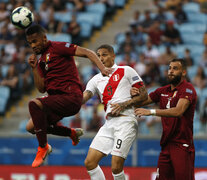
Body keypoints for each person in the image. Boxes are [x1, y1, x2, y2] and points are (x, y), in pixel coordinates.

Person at [25, 25, 112, 168]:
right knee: (31, 127)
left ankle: (43, 147)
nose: (33, 46)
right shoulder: (41, 62)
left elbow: (88, 52)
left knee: (34, 104)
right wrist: (34, 68)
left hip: (70, 97)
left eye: (35, 41)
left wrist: (102, 69)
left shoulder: (58, 47)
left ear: (44, 38)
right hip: (57, 100)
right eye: (30, 43)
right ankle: (71, 133)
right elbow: (41, 88)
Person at [83, 44, 148, 180]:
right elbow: (83, 97)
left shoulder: (126, 70)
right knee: (90, 162)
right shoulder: (95, 80)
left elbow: (144, 95)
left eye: (104, 55)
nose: (101, 58)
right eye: (98, 55)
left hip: (126, 122)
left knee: (116, 167)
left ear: (113, 56)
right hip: (109, 124)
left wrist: (125, 104)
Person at [131, 58, 197, 180]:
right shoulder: (163, 90)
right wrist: (133, 94)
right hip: (166, 145)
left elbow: (178, 111)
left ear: (183, 72)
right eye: (169, 68)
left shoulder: (188, 89)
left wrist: (150, 112)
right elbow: (140, 102)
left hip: (182, 144)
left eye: (175, 68)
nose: (171, 71)